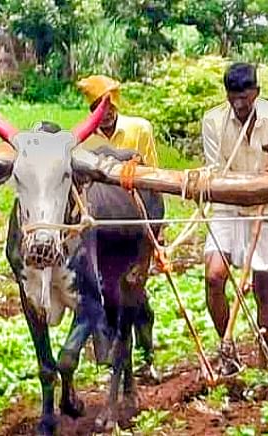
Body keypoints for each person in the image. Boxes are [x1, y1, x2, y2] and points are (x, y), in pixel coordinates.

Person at [202, 63, 268, 375]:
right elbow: (215, 171)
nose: (239, 103)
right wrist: (241, 191)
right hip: (227, 205)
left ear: (256, 92)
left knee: (263, 288)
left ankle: (267, 355)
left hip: (265, 207)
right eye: (233, 97)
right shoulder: (213, 120)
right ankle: (227, 351)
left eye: (244, 96)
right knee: (214, 277)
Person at [76, 75, 162, 383]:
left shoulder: (140, 129)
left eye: (110, 103)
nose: (107, 110)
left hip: (135, 222)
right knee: (102, 291)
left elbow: (155, 179)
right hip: (101, 227)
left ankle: (147, 356)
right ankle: (114, 357)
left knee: (134, 292)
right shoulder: (83, 142)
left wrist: (156, 233)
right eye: (99, 105)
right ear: (91, 109)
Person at [76, 75, 160, 166]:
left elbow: (153, 173)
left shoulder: (141, 129)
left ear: (116, 105)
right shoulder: (83, 140)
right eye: (99, 108)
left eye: (110, 106)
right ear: (92, 110)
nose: (105, 113)